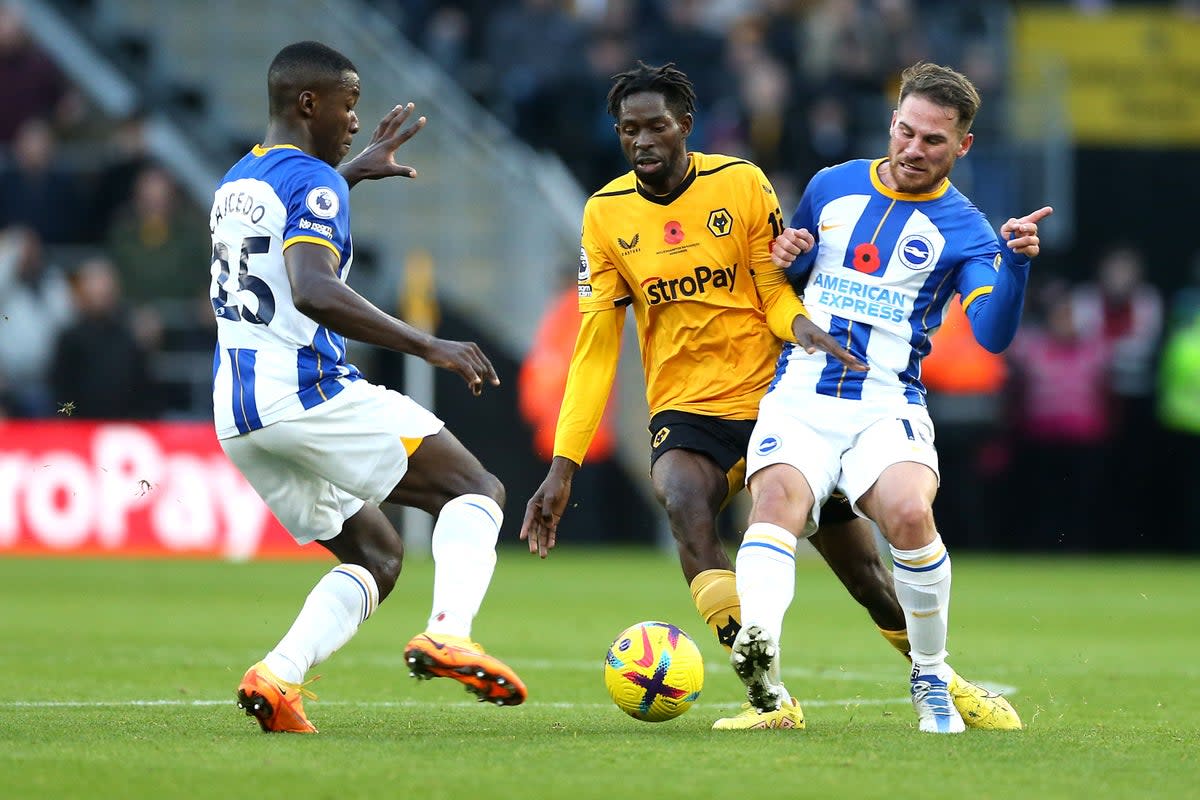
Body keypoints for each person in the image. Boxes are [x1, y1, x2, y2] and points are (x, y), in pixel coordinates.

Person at [519, 61, 1019, 731]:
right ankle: (767, 691)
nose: (643, 141)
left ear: (685, 128)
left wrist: (800, 323)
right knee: (683, 501)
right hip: (687, 408)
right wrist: (564, 462)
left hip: (777, 391)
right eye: (629, 129)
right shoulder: (605, 215)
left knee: (865, 576)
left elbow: (779, 285)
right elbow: (595, 346)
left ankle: (941, 677)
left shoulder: (742, 185)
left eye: (657, 126)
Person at [215, 41, 526, 734]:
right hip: (306, 392)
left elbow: (282, 234)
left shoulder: (239, 178)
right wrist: (430, 344)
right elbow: (314, 290)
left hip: (239, 415)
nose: (354, 120)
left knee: (378, 554)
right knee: (475, 490)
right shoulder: (313, 185)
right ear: (308, 104)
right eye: (348, 105)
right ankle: (449, 632)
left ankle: (276, 678)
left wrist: (349, 173)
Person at [735, 61, 1051, 733]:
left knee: (909, 513)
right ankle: (763, 678)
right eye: (906, 131)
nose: (913, 149)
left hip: (886, 403)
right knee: (774, 504)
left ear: (963, 145)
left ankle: (930, 676)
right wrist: (790, 255)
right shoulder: (832, 186)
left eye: (933, 141)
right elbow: (791, 279)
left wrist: (1016, 264)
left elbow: (992, 334)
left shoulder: (967, 230)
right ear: (892, 121)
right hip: (801, 396)